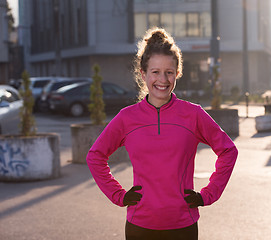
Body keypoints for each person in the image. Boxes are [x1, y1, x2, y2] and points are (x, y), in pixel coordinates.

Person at [86, 27, 238, 240]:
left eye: (169, 72)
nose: (163, 79)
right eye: (155, 72)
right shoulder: (126, 118)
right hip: (140, 226)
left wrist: (207, 195)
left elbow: (228, 151)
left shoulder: (193, 114)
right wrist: (118, 195)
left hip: (182, 225)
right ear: (143, 74)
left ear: (177, 73)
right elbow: (95, 156)